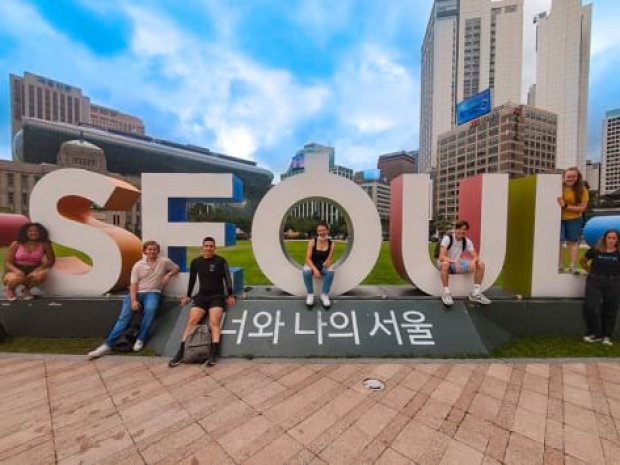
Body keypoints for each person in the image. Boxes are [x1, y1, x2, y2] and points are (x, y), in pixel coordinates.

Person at [87, 241, 180, 359]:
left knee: (151, 309)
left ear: (158, 251)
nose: (152, 251)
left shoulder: (164, 262)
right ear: (145, 251)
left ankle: (141, 339)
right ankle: (107, 345)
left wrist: (169, 274)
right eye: (149, 249)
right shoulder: (138, 265)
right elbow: (134, 285)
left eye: (154, 249)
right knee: (123, 318)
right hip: (137, 292)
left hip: (153, 293)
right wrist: (133, 301)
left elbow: (176, 267)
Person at [169, 236, 236, 367]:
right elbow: (192, 280)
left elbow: (227, 278)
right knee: (192, 322)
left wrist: (230, 295)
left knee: (214, 323)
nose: (209, 248)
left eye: (211, 246)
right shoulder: (196, 262)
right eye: (206, 246)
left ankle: (213, 354)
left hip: (217, 297)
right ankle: (181, 352)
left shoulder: (221, 261)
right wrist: (188, 295)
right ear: (202, 247)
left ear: (214, 248)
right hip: (201, 296)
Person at [436, 220, 491, 307]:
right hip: (444, 263)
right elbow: (441, 257)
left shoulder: (466, 241)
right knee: (445, 264)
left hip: (457, 264)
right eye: (459, 229)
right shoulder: (448, 238)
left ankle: (475, 293)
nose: (462, 231)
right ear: (455, 229)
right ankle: (446, 293)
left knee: (480, 264)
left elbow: (475, 256)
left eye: (464, 229)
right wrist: (454, 262)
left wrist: (473, 262)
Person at [580, 229, 620, 346]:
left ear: (617, 240)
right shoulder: (595, 251)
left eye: (614, 238)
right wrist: (590, 272)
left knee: (611, 309)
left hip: (613, 283)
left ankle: (607, 336)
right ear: (604, 239)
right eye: (609, 238)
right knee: (591, 307)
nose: (611, 240)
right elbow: (582, 262)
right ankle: (595, 334)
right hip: (594, 282)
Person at [3, 223, 55, 301]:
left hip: (34, 267)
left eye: (36, 231)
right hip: (16, 268)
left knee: (41, 275)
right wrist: (17, 271)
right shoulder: (16, 244)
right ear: (25, 233)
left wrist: (38, 270)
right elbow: (7, 262)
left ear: (41, 232)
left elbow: (51, 260)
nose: (33, 233)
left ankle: (26, 290)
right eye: (30, 231)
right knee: (16, 278)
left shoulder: (45, 244)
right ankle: (10, 289)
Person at [557, 167, 589, 274]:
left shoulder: (582, 190)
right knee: (558, 242)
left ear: (578, 177)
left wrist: (566, 206)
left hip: (574, 219)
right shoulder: (557, 186)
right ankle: (559, 265)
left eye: (573, 176)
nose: (571, 178)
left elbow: (582, 208)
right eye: (568, 176)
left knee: (573, 242)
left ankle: (572, 266)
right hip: (558, 218)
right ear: (564, 177)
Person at [303, 220, 335, 309]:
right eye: (319, 230)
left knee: (331, 271)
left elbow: (329, 258)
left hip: (323, 265)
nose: (321, 232)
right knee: (306, 272)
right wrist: (315, 270)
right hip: (311, 263)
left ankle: (324, 295)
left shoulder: (332, 243)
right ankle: (310, 294)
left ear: (327, 231)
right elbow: (307, 258)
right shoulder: (312, 241)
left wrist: (328, 262)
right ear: (317, 231)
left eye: (323, 230)